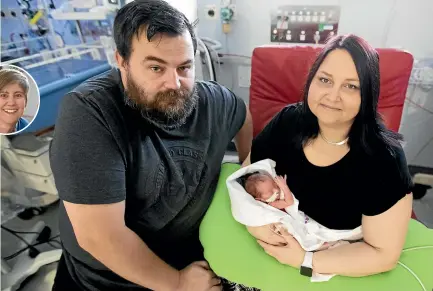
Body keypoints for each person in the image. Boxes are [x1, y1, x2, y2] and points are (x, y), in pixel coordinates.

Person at [49, 1, 252, 290]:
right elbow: (101, 237)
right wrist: (178, 283)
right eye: (156, 67)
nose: (175, 83)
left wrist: (248, 170)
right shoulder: (91, 113)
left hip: (188, 261)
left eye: (184, 67)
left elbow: (243, 117)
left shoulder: (214, 101)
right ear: (122, 61)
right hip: (107, 280)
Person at [241, 34, 413, 284]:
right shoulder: (287, 122)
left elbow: (383, 254)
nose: (333, 96)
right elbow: (247, 174)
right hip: (273, 245)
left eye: (351, 86)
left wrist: (304, 260)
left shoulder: (384, 159)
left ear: (368, 94)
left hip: (333, 262)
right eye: (324, 80)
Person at [0, 68, 30, 134]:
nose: (11, 103)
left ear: (26, 101)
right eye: (3, 95)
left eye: (18, 95)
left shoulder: (25, 125)